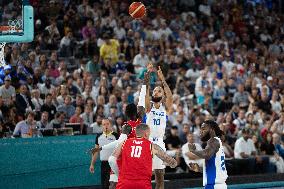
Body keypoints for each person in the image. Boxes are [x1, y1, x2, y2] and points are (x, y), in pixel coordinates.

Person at [108, 123, 177, 189]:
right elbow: (170, 161)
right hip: (142, 184)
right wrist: (173, 163)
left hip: (124, 183)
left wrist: (119, 174)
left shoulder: (123, 143)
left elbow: (111, 160)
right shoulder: (152, 146)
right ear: (146, 133)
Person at [144, 65, 173, 189]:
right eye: (154, 90)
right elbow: (145, 93)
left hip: (160, 143)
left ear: (162, 95)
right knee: (145, 176)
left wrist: (162, 79)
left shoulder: (165, 108)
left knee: (160, 177)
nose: (156, 92)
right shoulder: (148, 106)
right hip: (147, 142)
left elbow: (170, 97)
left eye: (159, 90)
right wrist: (148, 78)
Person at [187, 120, 228, 189]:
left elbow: (207, 154)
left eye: (203, 129)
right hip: (217, 185)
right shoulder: (216, 142)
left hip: (214, 185)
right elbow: (215, 167)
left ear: (211, 130)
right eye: (200, 129)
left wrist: (194, 151)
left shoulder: (213, 141)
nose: (201, 131)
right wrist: (199, 169)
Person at [89, 118, 119, 189]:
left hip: (113, 164)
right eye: (104, 124)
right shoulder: (98, 137)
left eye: (107, 124)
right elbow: (96, 152)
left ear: (110, 125)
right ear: (102, 126)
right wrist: (92, 164)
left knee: (113, 185)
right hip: (104, 164)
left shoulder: (116, 136)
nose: (106, 126)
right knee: (104, 185)